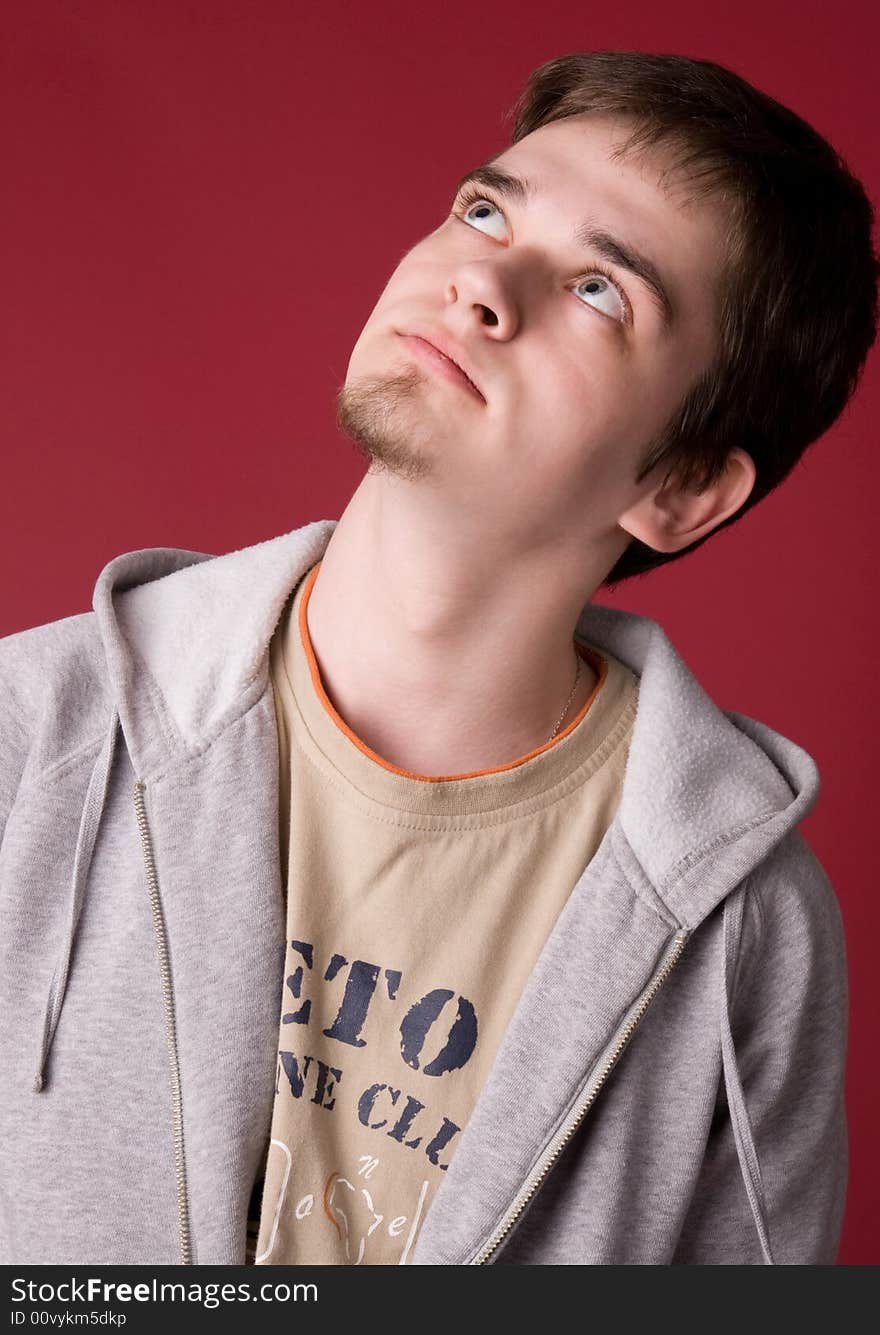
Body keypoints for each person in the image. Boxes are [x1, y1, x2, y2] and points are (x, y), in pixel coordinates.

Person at [1, 50, 877, 1268]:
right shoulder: (33, 734)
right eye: (484, 210)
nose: (482, 280)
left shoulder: (743, 929)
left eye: (599, 290)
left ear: (680, 489)